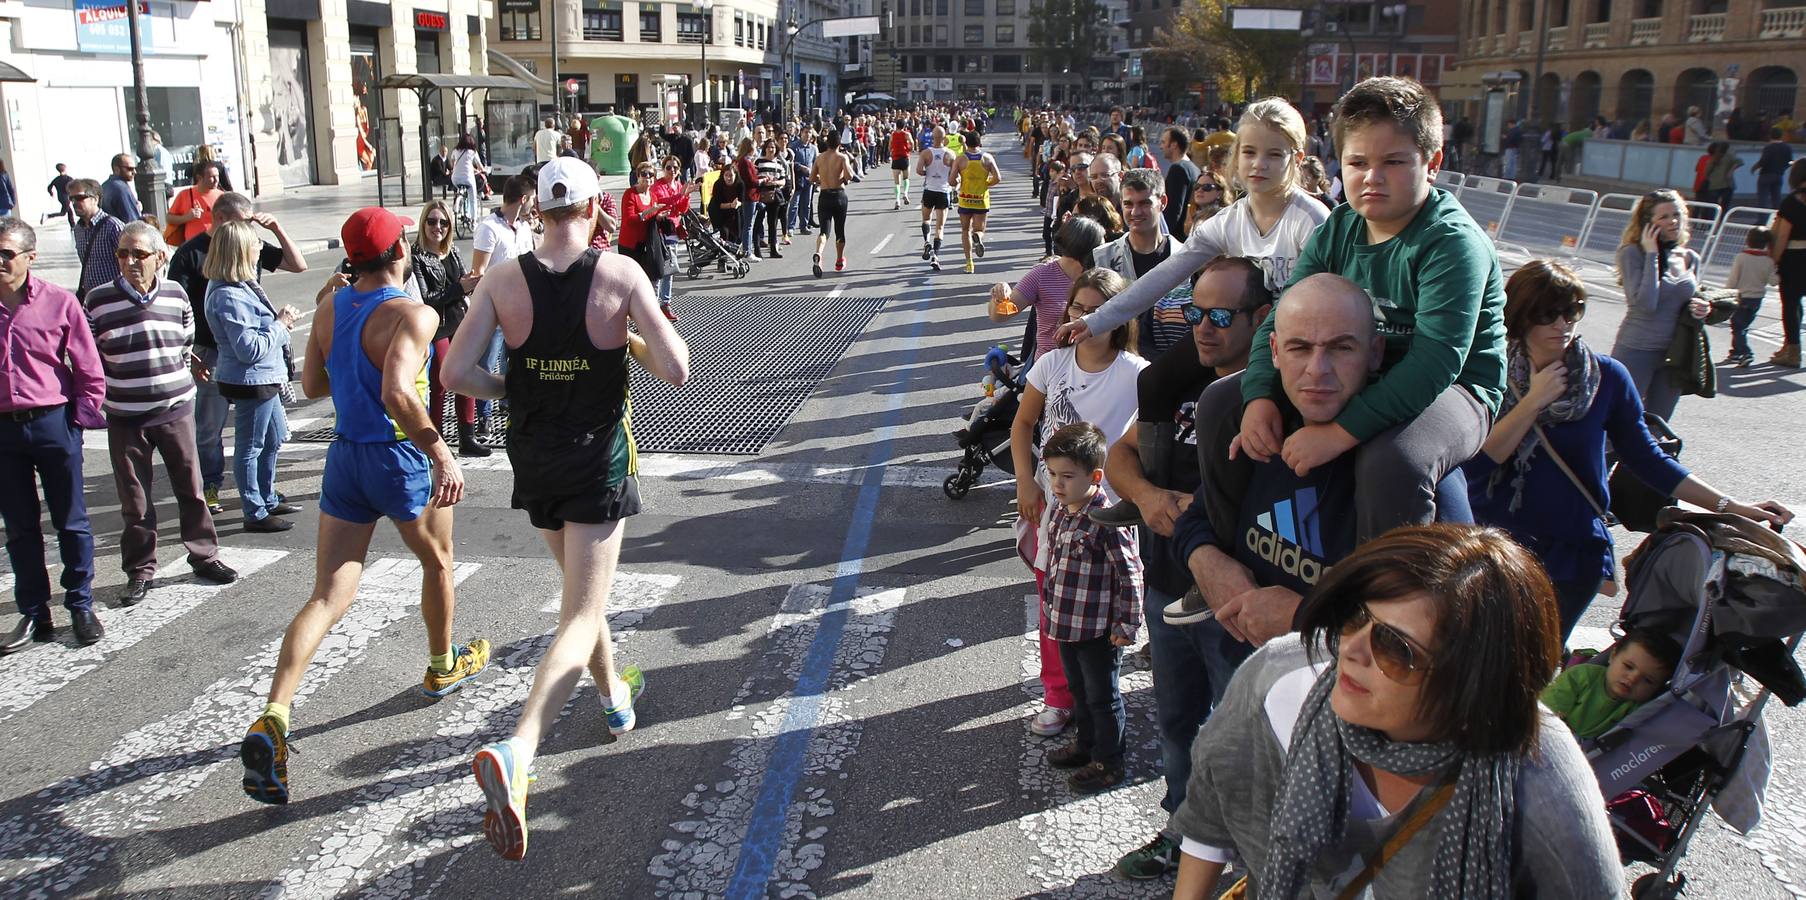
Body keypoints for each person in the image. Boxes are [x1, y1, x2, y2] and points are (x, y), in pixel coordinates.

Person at [443, 159, 689, 861]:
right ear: (594, 206)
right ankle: (520, 748)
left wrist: (512, 389)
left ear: (538, 212)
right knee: (581, 612)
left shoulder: (503, 276)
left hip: (534, 454)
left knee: (583, 593)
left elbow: (456, 374)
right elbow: (679, 369)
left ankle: (614, 698)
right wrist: (633, 341)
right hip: (594, 455)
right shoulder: (620, 275)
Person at [1166, 524, 1620, 900]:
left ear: (1474, 687)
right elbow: (1210, 816)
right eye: (1354, 617)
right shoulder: (1282, 679)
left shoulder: (1539, 784)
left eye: (1396, 648)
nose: (1352, 650)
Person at [237, 207, 489, 807]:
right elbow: (398, 390)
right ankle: (440, 664)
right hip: (398, 457)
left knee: (328, 593)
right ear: (399, 249)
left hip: (345, 456)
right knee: (438, 563)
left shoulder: (330, 307)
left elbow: (313, 388)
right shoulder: (413, 314)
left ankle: (273, 715)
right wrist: (441, 452)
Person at [1226, 80, 1503, 540]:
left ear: (1431, 164)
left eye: (1393, 162)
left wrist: (1339, 433)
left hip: (1456, 388)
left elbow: (1436, 362)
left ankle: (1377, 596)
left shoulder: (1453, 243)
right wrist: (1259, 395)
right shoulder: (1340, 227)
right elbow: (1282, 315)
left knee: (1393, 460)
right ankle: (1223, 547)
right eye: (1357, 163)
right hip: (1358, 365)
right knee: (1222, 404)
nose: (1372, 178)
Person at [1464, 259, 1792, 638]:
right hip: (1495, 541)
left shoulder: (1607, 378)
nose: (1563, 324)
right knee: (1480, 654)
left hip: (1572, 549)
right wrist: (1533, 401)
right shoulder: (1491, 371)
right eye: (1548, 314)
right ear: (1520, 317)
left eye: (1572, 310)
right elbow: (1478, 465)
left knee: (1536, 663)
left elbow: (1648, 459)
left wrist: (1733, 507)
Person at [1102, 256, 1274, 880]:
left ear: (1262, 319)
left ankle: (1250, 860)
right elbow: (1118, 457)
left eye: (1220, 316)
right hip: (1169, 589)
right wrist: (1147, 498)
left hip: (1237, 605)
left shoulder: (1272, 404)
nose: (1202, 328)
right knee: (1178, 725)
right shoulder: (1179, 387)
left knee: (1246, 740)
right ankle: (1183, 830)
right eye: (1193, 312)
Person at [1061, 97, 1329, 358]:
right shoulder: (1230, 220)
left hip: (1291, 351)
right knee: (1153, 384)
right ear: (1236, 154)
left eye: (1274, 154)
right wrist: (1096, 321)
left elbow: (1324, 308)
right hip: (1239, 342)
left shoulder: (1310, 219)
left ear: (1297, 158)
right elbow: (1166, 274)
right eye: (1249, 152)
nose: (1259, 163)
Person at [1010, 269, 1148, 740]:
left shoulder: (1136, 372)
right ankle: (1058, 697)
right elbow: (1024, 423)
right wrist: (1027, 483)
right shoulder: (1051, 363)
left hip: (1108, 514)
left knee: (1102, 611)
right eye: (1078, 306)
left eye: (1097, 309)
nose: (1084, 316)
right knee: (1053, 600)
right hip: (1051, 509)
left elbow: (1146, 441)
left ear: (1120, 314)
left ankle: (1098, 708)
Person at [82, 220, 239, 607]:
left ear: (160, 257)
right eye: (123, 253)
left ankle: (204, 555)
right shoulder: (97, 300)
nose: (130, 261)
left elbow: (184, 342)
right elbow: (89, 355)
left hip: (175, 409)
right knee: (135, 500)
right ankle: (140, 570)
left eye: (139, 254)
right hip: (125, 415)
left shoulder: (175, 294)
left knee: (192, 489)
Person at [0, 218, 107, 654]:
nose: (0, 261)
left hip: (53, 423)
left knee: (71, 520)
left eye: (7, 253)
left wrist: (77, 421)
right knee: (20, 527)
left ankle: (80, 603)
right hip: (4, 431)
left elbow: (88, 368)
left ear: (30, 257)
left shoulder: (59, 302)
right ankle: (34, 611)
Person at [165, 192, 308, 514]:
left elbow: (298, 264)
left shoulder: (246, 256)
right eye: (244, 225)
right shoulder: (195, 259)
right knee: (215, 430)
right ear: (221, 222)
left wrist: (277, 229)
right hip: (216, 354)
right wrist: (189, 354)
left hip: (255, 365)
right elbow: (176, 307)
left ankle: (264, 495)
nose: (252, 234)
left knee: (271, 435)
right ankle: (222, 491)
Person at [1038, 422, 1143, 795]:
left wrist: (1127, 623)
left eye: (1067, 476)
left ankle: (1109, 760)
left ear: (1095, 476)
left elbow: (1130, 573)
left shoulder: (1106, 519)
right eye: (1052, 474)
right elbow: (1054, 565)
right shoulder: (1064, 511)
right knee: (1079, 691)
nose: (1058, 483)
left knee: (1103, 696)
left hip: (1097, 629)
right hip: (1066, 623)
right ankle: (1086, 746)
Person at [203, 220, 300, 532]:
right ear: (239, 251)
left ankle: (266, 496)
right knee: (251, 446)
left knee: (273, 439)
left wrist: (279, 326)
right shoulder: (227, 295)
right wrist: (280, 324)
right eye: (255, 243)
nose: (260, 248)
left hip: (264, 378)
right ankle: (254, 510)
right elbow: (249, 349)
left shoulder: (241, 285)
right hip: (251, 380)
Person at [1612, 189, 1707, 421]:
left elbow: (1688, 300)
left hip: (1675, 352)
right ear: (1647, 223)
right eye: (1663, 217)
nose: (1673, 221)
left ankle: (1641, 459)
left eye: (1676, 214)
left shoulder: (1690, 257)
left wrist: (1701, 309)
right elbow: (1645, 304)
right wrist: (1652, 254)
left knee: (1658, 424)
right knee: (1620, 420)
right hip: (1638, 348)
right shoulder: (1632, 253)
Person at [413, 199, 487, 458]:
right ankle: (437, 441)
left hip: (459, 322)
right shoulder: (418, 257)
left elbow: (462, 281)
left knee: (465, 379)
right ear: (423, 224)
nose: (437, 227)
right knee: (442, 383)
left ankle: (467, 437)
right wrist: (459, 288)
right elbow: (426, 298)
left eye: (443, 222)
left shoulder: (452, 251)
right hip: (436, 327)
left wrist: (471, 283)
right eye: (431, 221)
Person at [1092, 168, 1187, 359]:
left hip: (1172, 364)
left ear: (1163, 202)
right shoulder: (1101, 258)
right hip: (1115, 362)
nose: (1135, 212)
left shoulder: (1186, 258)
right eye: (1128, 204)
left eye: (1144, 203)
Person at [989, 216, 1107, 361]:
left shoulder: (1103, 275)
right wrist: (999, 298)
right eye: (1100, 246)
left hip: (1094, 366)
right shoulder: (1042, 274)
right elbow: (999, 316)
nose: (1105, 250)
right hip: (1049, 369)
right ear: (1084, 248)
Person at [1542, 630, 1680, 740]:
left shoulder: (1642, 710)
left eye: (1648, 680)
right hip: (1553, 734)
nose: (1632, 679)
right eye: (1628, 666)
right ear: (1613, 656)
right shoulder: (1581, 677)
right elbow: (1546, 712)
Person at [621, 162, 685, 321]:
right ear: (638, 176)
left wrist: (659, 216)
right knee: (631, 280)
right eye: (644, 174)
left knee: (651, 277)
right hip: (630, 245)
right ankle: (629, 312)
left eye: (651, 174)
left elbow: (662, 207)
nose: (648, 177)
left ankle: (650, 312)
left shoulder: (653, 196)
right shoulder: (630, 194)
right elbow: (629, 220)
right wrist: (647, 213)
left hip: (647, 244)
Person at [1724, 225, 1779, 366]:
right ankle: (1735, 352)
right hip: (1757, 299)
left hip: (1741, 296)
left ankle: (1745, 352)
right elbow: (1773, 281)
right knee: (1743, 325)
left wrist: (1726, 293)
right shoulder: (1768, 261)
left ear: (1748, 240)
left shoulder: (1741, 257)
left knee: (1737, 326)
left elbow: (1733, 278)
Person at [1770, 159, 1806, 368]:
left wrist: (1774, 260)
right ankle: (1788, 346)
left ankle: (1792, 350)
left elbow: (1782, 236)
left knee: (1791, 304)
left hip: (1794, 258)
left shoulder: (1791, 202)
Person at [69, 178, 126, 301]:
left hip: (115, 295)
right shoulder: (78, 229)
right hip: (92, 297)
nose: (74, 203)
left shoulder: (113, 226)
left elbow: (127, 263)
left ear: (95, 199)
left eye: (79, 198)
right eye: (71, 198)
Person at [955, 130, 1003, 274]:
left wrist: (959, 180)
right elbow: (998, 177)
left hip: (965, 199)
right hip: (981, 199)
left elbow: (951, 180)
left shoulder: (960, 159)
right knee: (979, 229)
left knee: (965, 230)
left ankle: (969, 263)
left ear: (966, 143)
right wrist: (987, 183)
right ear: (979, 142)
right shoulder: (987, 158)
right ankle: (978, 238)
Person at [811, 130, 856, 278]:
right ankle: (839, 259)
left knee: (824, 230)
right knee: (839, 230)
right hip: (839, 196)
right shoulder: (842, 157)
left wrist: (822, 180)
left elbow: (812, 178)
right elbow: (849, 176)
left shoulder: (819, 158)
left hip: (824, 195)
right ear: (839, 143)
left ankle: (819, 252)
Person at [917, 125, 956, 269]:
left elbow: (919, 170)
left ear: (933, 137)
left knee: (926, 219)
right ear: (944, 138)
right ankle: (935, 256)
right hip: (943, 191)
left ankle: (926, 242)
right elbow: (954, 176)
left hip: (929, 190)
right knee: (940, 227)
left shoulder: (926, 153)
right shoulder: (950, 154)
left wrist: (929, 172)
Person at [166, 160, 225, 244]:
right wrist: (186, 217)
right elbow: (169, 218)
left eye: (217, 176)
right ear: (199, 178)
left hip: (216, 243)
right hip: (193, 246)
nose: (216, 180)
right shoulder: (185, 194)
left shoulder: (222, 196)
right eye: (211, 177)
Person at [1160, 127, 1198, 235]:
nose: (1161, 146)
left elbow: (1173, 210)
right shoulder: (1193, 167)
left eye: (1163, 142)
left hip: (1175, 236)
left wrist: (1164, 236)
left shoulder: (1178, 169)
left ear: (1174, 145)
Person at [754, 140, 788, 259]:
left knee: (772, 223)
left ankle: (773, 248)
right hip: (761, 194)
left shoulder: (779, 163)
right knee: (759, 222)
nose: (771, 149)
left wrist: (774, 182)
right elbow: (754, 177)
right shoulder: (759, 161)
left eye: (773, 147)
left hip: (775, 195)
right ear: (765, 149)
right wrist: (763, 179)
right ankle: (757, 249)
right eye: (768, 147)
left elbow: (783, 180)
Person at [450, 133, 488, 226]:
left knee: (461, 190)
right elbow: (480, 166)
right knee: (472, 198)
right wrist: (483, 170)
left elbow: (452, 163)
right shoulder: (472, 152)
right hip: (468, 178)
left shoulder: (455, 150)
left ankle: (459, 203)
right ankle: (473, 221)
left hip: (455, 178)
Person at [1756, 128, 1795, 209]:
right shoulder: (1787, 147)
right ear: (1781, 136)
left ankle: (1762, 219)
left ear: (1770, 136)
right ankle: (1777, 217)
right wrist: (1783, 168)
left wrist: (1755, 167)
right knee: (1777, 198)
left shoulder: (1768, 148)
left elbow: (1764, 161)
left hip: (1766, 174)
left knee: (1763, 198)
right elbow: (1790, 161)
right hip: (1779, 175)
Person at [101, 154, 143, 224]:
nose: (134, 172)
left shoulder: (105, 185)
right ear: (117, 169)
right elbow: (132, 220)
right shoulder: (122, 189)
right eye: (130, 169)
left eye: (135, 168)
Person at [889, 119, 916, 209]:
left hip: (896, 158)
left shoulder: (892, 134)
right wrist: (910, 149)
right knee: (906, 178)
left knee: (897, 182)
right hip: (904, 158)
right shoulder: (906, 134)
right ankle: (905, 193)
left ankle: (897, 200)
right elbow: (912, 143)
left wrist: (892, 151)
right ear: (904, 126)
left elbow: (890, 146)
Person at [43, 164, 74, 228]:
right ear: (65, 169)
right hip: (66, 198)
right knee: (63, 213)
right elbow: (74, 186)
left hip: (60, 197)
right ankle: (48, 216)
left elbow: (49, 187)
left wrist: (51, 193)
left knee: (69, 211)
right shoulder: (68, 178)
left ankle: (72, 226)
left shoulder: (56, 179)